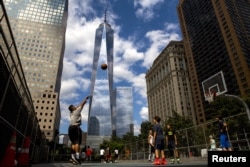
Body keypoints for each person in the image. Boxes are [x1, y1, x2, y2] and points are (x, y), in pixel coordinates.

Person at [68, 96, 89, 165]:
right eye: (74, 106)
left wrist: (76, 106)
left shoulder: (71, 113)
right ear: (73, 108)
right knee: (77, 143)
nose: (75, 106)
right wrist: (85, 99)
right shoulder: (76, 111)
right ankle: (77, 157)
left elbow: (77, 106)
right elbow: (82, 104)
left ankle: (72, 157)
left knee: (73, 143)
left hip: (70, 128)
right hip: (75, 128)